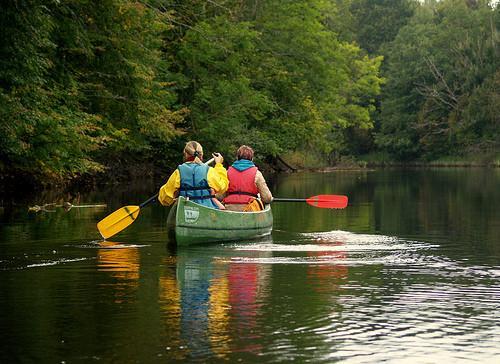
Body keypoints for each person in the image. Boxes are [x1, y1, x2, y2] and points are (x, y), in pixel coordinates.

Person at [158, 141, 228, 209]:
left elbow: (164, 199)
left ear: (185, 154)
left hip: (185, 210)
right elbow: (223, 187)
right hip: (206, 210)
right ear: (202, 154)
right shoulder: (209, 171)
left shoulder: (179, 172)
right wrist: (219, 165)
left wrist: (169, 190)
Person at [223, 145, 273, 211]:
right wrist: (270, 198)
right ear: (252, 158)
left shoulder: (227, 173)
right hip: (250, 208)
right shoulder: (257, 174)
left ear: (237, 157)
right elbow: (267, 198)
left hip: (229, 208)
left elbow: (220, 196)